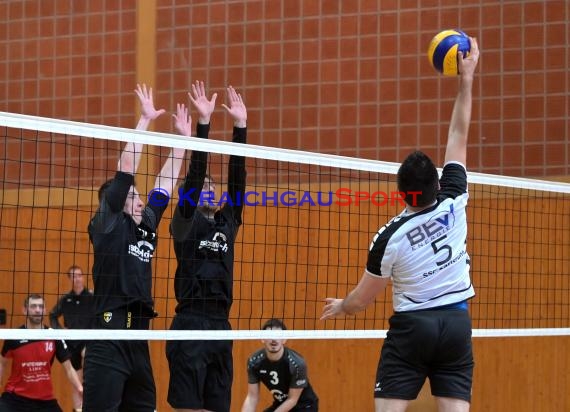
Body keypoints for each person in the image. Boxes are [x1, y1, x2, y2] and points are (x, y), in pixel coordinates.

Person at [321, 38, 480, 412]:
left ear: (401, 193)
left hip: (413, 328)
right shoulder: (454, 198)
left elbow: (363, 299)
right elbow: (459, 133)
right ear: (435, 185)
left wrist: (343, 306)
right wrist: (467, 79)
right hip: (457, 323)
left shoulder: (388, 237)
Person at [82, 84, 189, 412]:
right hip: (108, 339)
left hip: (139, 340)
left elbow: (165, 185)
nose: (140, 199)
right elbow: (126, 169)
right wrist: (144, 121)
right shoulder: (106, 224)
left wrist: (181, 142)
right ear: (113, 202)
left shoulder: (145, 225)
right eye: (132, 196)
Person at [166, 81, 247, 412]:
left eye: (214, 187)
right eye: (204, 188)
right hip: (190, 323)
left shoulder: (228, 222)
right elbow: (196, 173)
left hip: (220, 326)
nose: (209, 190)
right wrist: (204, 126)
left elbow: (238, 180)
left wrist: (240, 127)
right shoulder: (184, 222)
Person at [0, 294, 83, 412]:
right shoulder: (14, 336)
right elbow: (1, 363)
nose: (37, 310)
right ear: (25, 310)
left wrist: (80, 389)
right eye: (33, 306)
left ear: (44, 310)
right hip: (15, 398)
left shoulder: (53, 336)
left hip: (45, 400)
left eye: (40, 306)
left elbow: (69, 369)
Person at [241, 319, 319, 412]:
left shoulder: (297, 363)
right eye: (269, 335)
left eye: (278, 335)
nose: (274, 339)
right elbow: (252, 398)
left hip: (304, 406)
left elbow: (292, 400)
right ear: (262, 338)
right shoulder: (254, 362)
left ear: (284, 339)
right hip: (281, 403)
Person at [49, 265, 94, 412]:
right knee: (76, 382)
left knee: (86, 356)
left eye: (79, 275)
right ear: (70, 279)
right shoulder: (65, 299)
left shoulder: (92, 297)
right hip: (72, 342)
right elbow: (53, 315)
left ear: (83, 277)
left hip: (88, 340)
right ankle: (78, 409)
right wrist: (60, 331)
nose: (77, 279)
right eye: (74, 276)